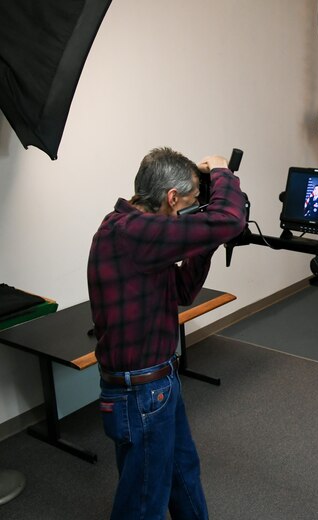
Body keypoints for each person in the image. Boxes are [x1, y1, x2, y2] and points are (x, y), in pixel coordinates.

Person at [87, 147, 247, 520]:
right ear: (172, 197)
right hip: (140, 394)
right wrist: (223, 172)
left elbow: (180, 292)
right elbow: (229, 219)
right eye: (189, 203)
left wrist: (202, 241)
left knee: (182, 476)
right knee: (143, 506)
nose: (190, 212)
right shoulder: (134, 233)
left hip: (158, 383)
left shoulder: (134, 230)